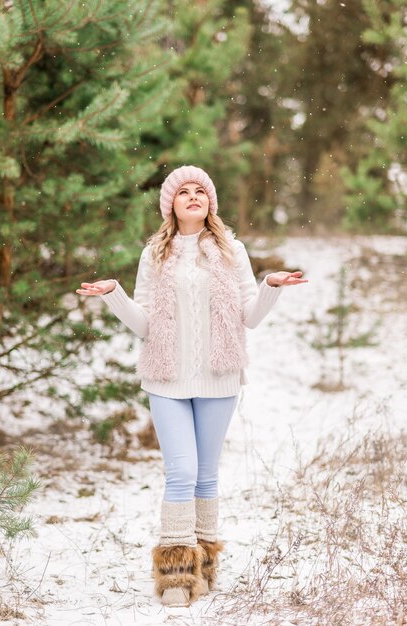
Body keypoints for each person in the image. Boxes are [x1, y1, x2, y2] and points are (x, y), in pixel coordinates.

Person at [76, 165, 308, 607]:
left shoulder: (230, 250)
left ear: (210, 203)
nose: (193, 195)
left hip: (220, 378)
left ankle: (204, 569)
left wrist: (270, 286)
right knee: (181, 472)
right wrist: (114, 294)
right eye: (183, 191)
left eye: (201, 189)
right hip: (165, 378)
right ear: (171, 205)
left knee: (205, 475)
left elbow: (251, 317)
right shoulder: (155, 255)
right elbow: (145, 324)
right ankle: (177, 576)